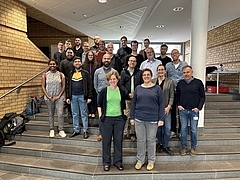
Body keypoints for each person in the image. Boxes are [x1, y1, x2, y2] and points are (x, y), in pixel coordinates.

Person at [130, 68, 164, 171]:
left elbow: (161, 104)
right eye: (144, 75)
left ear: (151, 76)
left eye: (148, 75)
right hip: (139, 118)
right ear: (142, 77)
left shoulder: (157, 88)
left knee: (151, 140)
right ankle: (140, 160)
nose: (146, 76)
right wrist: (132, 117)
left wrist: (161, 118)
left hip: (152, 119)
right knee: (140, 140)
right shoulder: (138, 88)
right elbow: (134, 104)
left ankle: (151, 161)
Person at [98, 71, 127, 171]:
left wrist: (124, 115)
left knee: (118, 141)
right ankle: (106, 162)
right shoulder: (104, 91)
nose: (112, 81)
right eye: (111, 79)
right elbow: (99, 104)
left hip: (119, 119)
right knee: (106, 141)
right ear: (108, 80)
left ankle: (118, 162)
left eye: (114, 79)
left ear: (117, 80)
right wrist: (101, 116)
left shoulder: (122, 91)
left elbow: (123, 104)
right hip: (107, 119)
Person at [176, 65, 205, 156]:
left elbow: (202, 96)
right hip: (183, 111)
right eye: (184, 72)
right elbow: (177, 96)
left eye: (188, 72)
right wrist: (178, 105)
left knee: (193, 130)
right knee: (183, 129)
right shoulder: (180, 83)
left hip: (194, 111)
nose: (186, 74)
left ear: (192, 72)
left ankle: (193, 148)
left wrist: (198, 107)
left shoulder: (198, 82)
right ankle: (184, 147)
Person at [66, 56, 93, 139]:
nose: (77, 63)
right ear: (73, 64)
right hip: (73, 97)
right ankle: (76, 130)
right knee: (75, 114)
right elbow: (68, 86)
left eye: (79, 61)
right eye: (76, 61)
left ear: (81, 63)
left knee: (84, 114)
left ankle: (85, 130)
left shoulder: (85, 73)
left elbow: (90, 85)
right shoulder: (71, 74)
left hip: (82, 96)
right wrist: (68, 97)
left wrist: (89, 97)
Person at [94, 53, 117, 141]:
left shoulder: (114, 72)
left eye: (108, 58)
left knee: (110, 116)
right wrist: (100, 93)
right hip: (100, 95)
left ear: (110, 60)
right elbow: (95, 84)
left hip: (112, 96)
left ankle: (110, 133)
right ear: (102, 60)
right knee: (101, 115)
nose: (106, 60)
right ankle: (101, 133)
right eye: (105, 59)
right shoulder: (97, 71)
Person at [152, 64, 175, 155]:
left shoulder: (170, 82)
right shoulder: (153, 81)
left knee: (167, 128)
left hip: (166, 109)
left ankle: (165, 145)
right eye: (159, 70)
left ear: (165, 71)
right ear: (157, 71)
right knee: (158, 129)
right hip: (155, 110)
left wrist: (169, 106)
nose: (160, 71)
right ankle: (160, 144)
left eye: (162, 69)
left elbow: (172, 95)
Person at [166, 49, 188, 138]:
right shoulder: (168, 65)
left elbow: (186, 76)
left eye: (176, 53)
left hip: (182, 91)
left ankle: (182, 131)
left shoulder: (184, 64)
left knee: (182, 111)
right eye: (172, 54)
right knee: (173, 111)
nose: (174, 55)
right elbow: (166, 77)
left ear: (179, 54)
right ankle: (173, 130)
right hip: (171, 91)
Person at [120, 55, 143, 141]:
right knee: (126, 115)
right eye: (131, 61)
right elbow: (121, 85)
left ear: (136, 63)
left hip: (137, 98)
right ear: (128, 62)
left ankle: (133, 133)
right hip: (126, 98)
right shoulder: (123, 72)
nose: (132, 62)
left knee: (134, 116)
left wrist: (137, 94)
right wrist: (127, 93)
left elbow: (141, 84)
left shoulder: (139, 72)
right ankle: (125, 132)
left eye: (134, 61)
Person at [42, 59, 66, 138]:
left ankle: (61, 130)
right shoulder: (45, 75)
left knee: (60, 113)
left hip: (59, 97)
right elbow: (43, 86)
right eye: (51, 64)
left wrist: (59, 96)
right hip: (49, 98)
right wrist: (48, 96)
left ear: (57, 65)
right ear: (49, 65)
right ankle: (51, 129)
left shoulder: (61, 75)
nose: (52, 65)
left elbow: (63, 86)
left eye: (54, 64)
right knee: (50, 114)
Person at [59, 48, 75, 121]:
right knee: (68, 98)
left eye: (71, 52)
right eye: (68, 52)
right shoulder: (63, 62)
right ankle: (69, 113)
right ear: (65, 53)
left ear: (73, 53)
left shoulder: (75, 61)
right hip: (66, 82)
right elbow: (61, 73)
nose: (69, 54)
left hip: (75, 82)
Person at [83, 51, 99, 118]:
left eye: (91, 55)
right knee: (88, 97)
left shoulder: (96, 65)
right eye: (89, 55)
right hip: (87, 84)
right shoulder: (84, 65)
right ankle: (89, 111)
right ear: (87, 56)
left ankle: (93, 111)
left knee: (94, 98)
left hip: (94, 83)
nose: (90, 57)